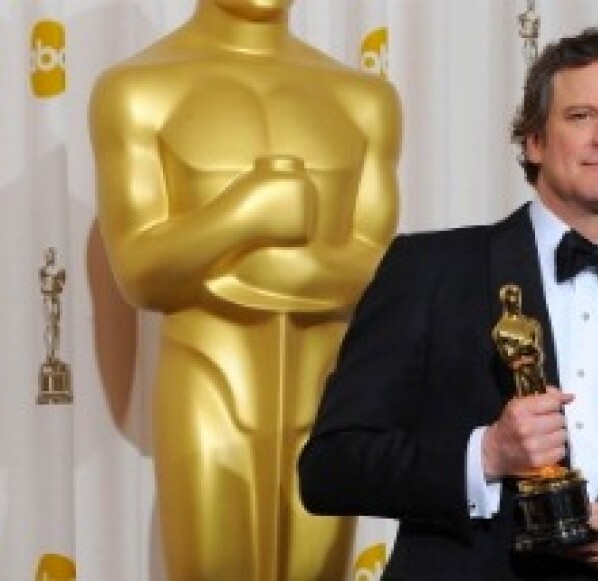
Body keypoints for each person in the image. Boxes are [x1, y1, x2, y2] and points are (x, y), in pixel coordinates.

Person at [299, 27, 598, 580]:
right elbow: (331, 469)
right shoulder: (429, 270)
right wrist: (486, 455)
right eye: (582, 116)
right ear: (534, 141)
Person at [89, 0, 401, 579]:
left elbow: (379, 270)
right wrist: (243, 214)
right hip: (206, 385)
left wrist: (226, 270)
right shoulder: (138, 90)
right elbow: (140, 271)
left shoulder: (364, 100)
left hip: (328, 397)